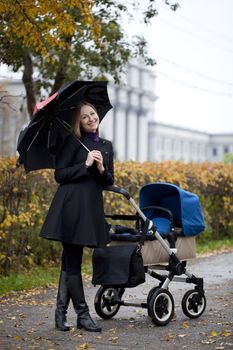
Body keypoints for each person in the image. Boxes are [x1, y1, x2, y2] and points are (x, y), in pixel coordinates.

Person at [40, 101, 114, 332]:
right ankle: (82, 315)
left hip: (90, 209)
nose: (91, 118)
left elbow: (109, 181)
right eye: (84, 117)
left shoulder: (106, 145)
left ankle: (60, 314)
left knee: (69, 261)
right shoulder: (73, 142)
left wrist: (101, 169)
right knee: (73, 260)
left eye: (92, 114)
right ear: (78, 122)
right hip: (70, 208)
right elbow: (60, 174)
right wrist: (85, 164)